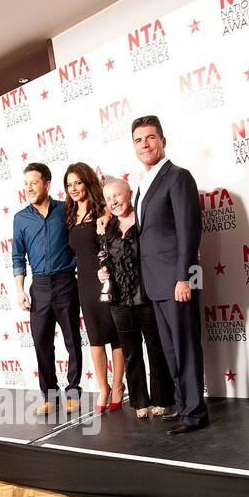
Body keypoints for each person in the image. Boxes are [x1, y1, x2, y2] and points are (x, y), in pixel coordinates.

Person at [130, 116, 208, 434]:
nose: (145, 144)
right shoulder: (142, 185)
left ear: (163, 141)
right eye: (138, 139)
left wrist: (184, 279)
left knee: (186, 346)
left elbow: (189, 232)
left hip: (178, 280)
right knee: (171, 349)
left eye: (150, 137)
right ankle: (182, 404)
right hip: (155, 283)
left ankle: (195, 413)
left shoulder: (178, 177)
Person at [97, 178, 174, 419]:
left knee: (156, 348)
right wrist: (102, 272)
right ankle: (140, 401)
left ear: (130, 194)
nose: (114, 202)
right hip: (119, 299)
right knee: (130, 352)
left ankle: (163, 399)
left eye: (117, 196)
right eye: (109, 199)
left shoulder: (144, 221)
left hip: (147, 295)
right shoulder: (106, 228)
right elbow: (104, 258)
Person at [12, 163, 83, 416]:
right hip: (38, 285)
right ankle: (50, 397)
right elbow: (18, 257)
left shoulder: (66, 210)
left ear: (47, 184)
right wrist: (20, 290)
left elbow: (79, 243)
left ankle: (73, 391)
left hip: (65, 282)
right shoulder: (20, 218)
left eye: (33, 182)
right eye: (26, 184)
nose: (29, 188)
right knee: (41, 343)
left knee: (72, 340)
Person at [65, 163, 124, 413]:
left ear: (88, 182)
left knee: (116, 337)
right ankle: (103, 388)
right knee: (96, 339)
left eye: (78, 182)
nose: (73, 189)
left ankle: (119, 386)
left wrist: (107, 217)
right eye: (69, 185)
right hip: (84, 285)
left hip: (106, 280)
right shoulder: (68, 216)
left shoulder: (103, 211)